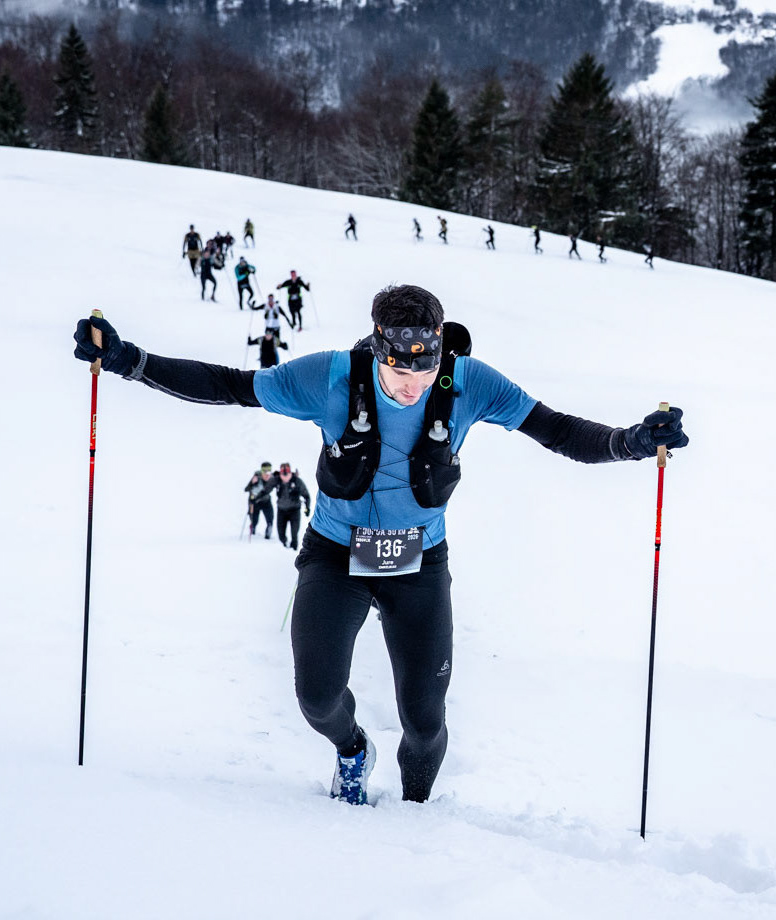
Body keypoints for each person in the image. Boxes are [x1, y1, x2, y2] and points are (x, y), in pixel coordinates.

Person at [72, 286, 688, 807]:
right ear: (377, 345)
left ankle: (415, 812)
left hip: (418, 564)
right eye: (400, 370)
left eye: (426, 368)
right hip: (336, 554)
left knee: (424, 719)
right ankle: (352, 750)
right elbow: (230, 385)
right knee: (316, 697)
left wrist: (631, 442)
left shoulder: (469, 382)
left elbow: (557, 430)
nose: (414, 382)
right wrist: (130, 361)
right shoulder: (331, 377)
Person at [274, 462, 312, 550]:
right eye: (282, 472)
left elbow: (306, 496)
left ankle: (294, 549)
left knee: (294, 533)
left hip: (294, 511)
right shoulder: (277, 480)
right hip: (281, 510)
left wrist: (307, 508)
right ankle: (284, 547)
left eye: (287, 471)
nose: (285, 475)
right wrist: (256, 497)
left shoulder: (297, 481)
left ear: (290, 472)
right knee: (281, 534)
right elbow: (266, 488)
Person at [246, 463, 278, 539]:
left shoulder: (272, 478)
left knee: (270, 518)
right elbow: (247, 489)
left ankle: (268, 531)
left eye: (269, 471)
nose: (267, 474)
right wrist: (252, 483)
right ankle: (253, 527)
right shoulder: (256, 477)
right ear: (261, 471)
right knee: (254, 519)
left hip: (266, 501)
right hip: (255, 502)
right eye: (264, 471)